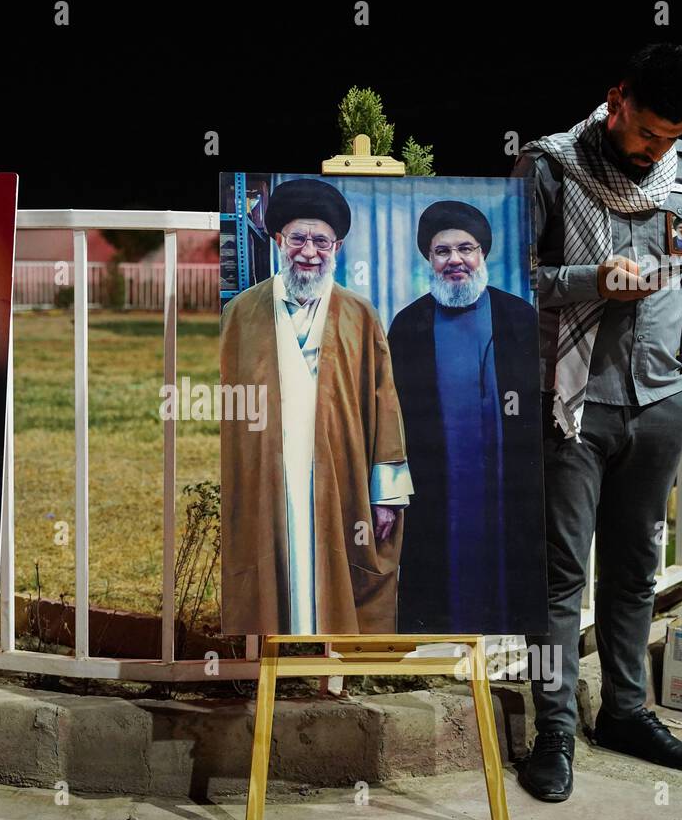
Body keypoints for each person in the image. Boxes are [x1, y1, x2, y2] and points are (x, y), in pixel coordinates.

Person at [512, 43, 682, 801]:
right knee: (560, 577)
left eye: (671, 136)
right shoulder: (548, 167)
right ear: (617, 100)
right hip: (570, 404)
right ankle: (554, 731)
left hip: (660, 403)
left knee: (635, 572)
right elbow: (504, 281)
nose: (655, 150)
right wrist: (588, 281)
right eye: (646, 133)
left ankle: (626, 712)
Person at [221, 178, 412, 635]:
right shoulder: (242, 313)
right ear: (279, 241)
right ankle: (266, 665)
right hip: (269, 478)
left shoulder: (359, 314)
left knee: (340, 574)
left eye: (321, 241)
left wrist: (384, 493)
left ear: (337, 246)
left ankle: (334, 669)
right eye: (298, 238)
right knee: (268, 575)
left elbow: (384, 400)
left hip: (339, 476)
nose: (309, 251)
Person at [387, 201, 544, 634]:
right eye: (442, 251)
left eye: (465, 248)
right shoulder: (408, 325)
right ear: (429, 259)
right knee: (437, 582)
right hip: (435, 490)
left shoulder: (519, 318)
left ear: (482, 254)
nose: (455, 260)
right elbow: (388, 415)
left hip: (505, 487)